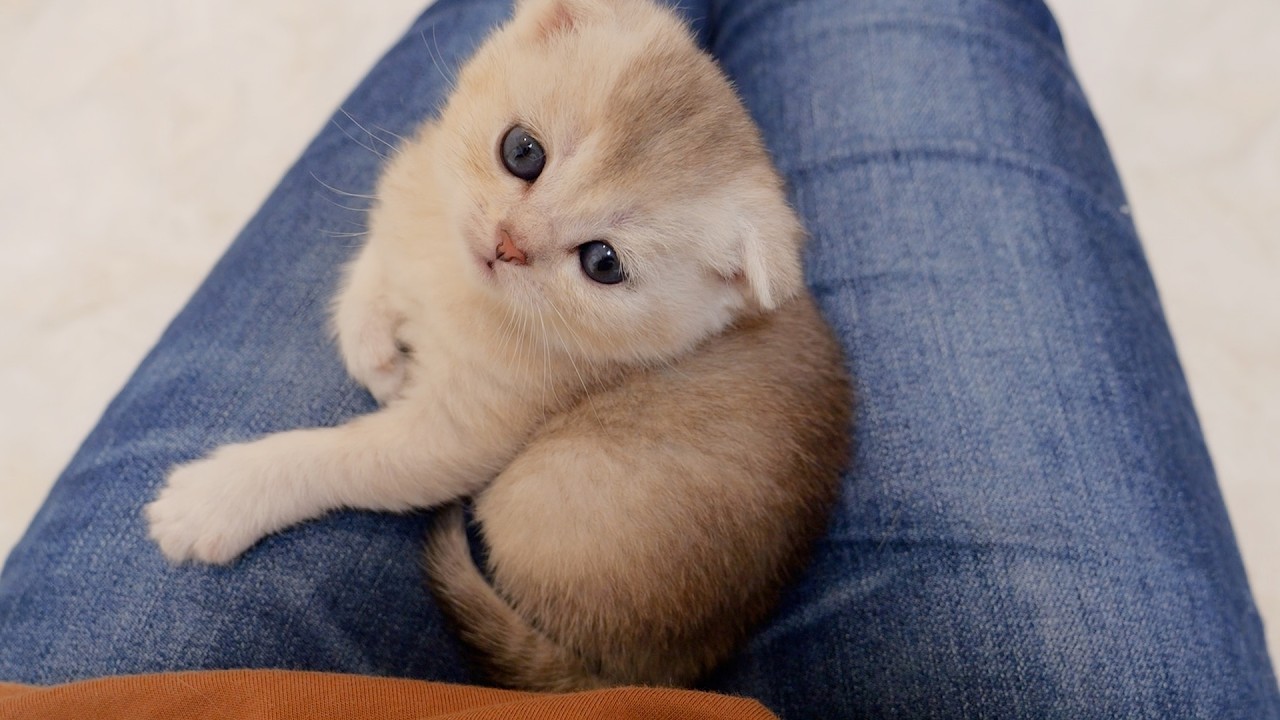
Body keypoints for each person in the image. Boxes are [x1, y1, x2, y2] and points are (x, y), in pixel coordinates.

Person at [1, 0, 1276, 716]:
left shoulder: (697, 281)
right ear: (538, 24)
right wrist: (380, 285)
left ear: (723, 296)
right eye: (520, 159)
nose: (510, 240)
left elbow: (446, 443)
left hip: (608, 552)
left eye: (598, 264)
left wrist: (272, 471)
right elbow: (412, 204)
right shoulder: (523, 170)